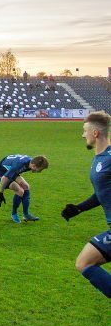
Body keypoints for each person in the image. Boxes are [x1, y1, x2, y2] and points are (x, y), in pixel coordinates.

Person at [61, 111, 111, 298]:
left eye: (85, 131)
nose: (83, 135)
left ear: (95, 133)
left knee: (85, 262)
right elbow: (103, 193)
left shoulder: (109, 158)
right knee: (84, 262)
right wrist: (79, 208)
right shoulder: (99, 159)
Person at [0, 154, 49, 223]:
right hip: (0, 174)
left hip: (10, 171)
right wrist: (1, 193)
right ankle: (14, 214)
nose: (40, 171)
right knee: (20, 191)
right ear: (34, 165)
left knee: (26, 187)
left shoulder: (30, 162)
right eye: (40, 169)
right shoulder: (19, 165)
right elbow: (4, 178)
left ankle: (26, 215)